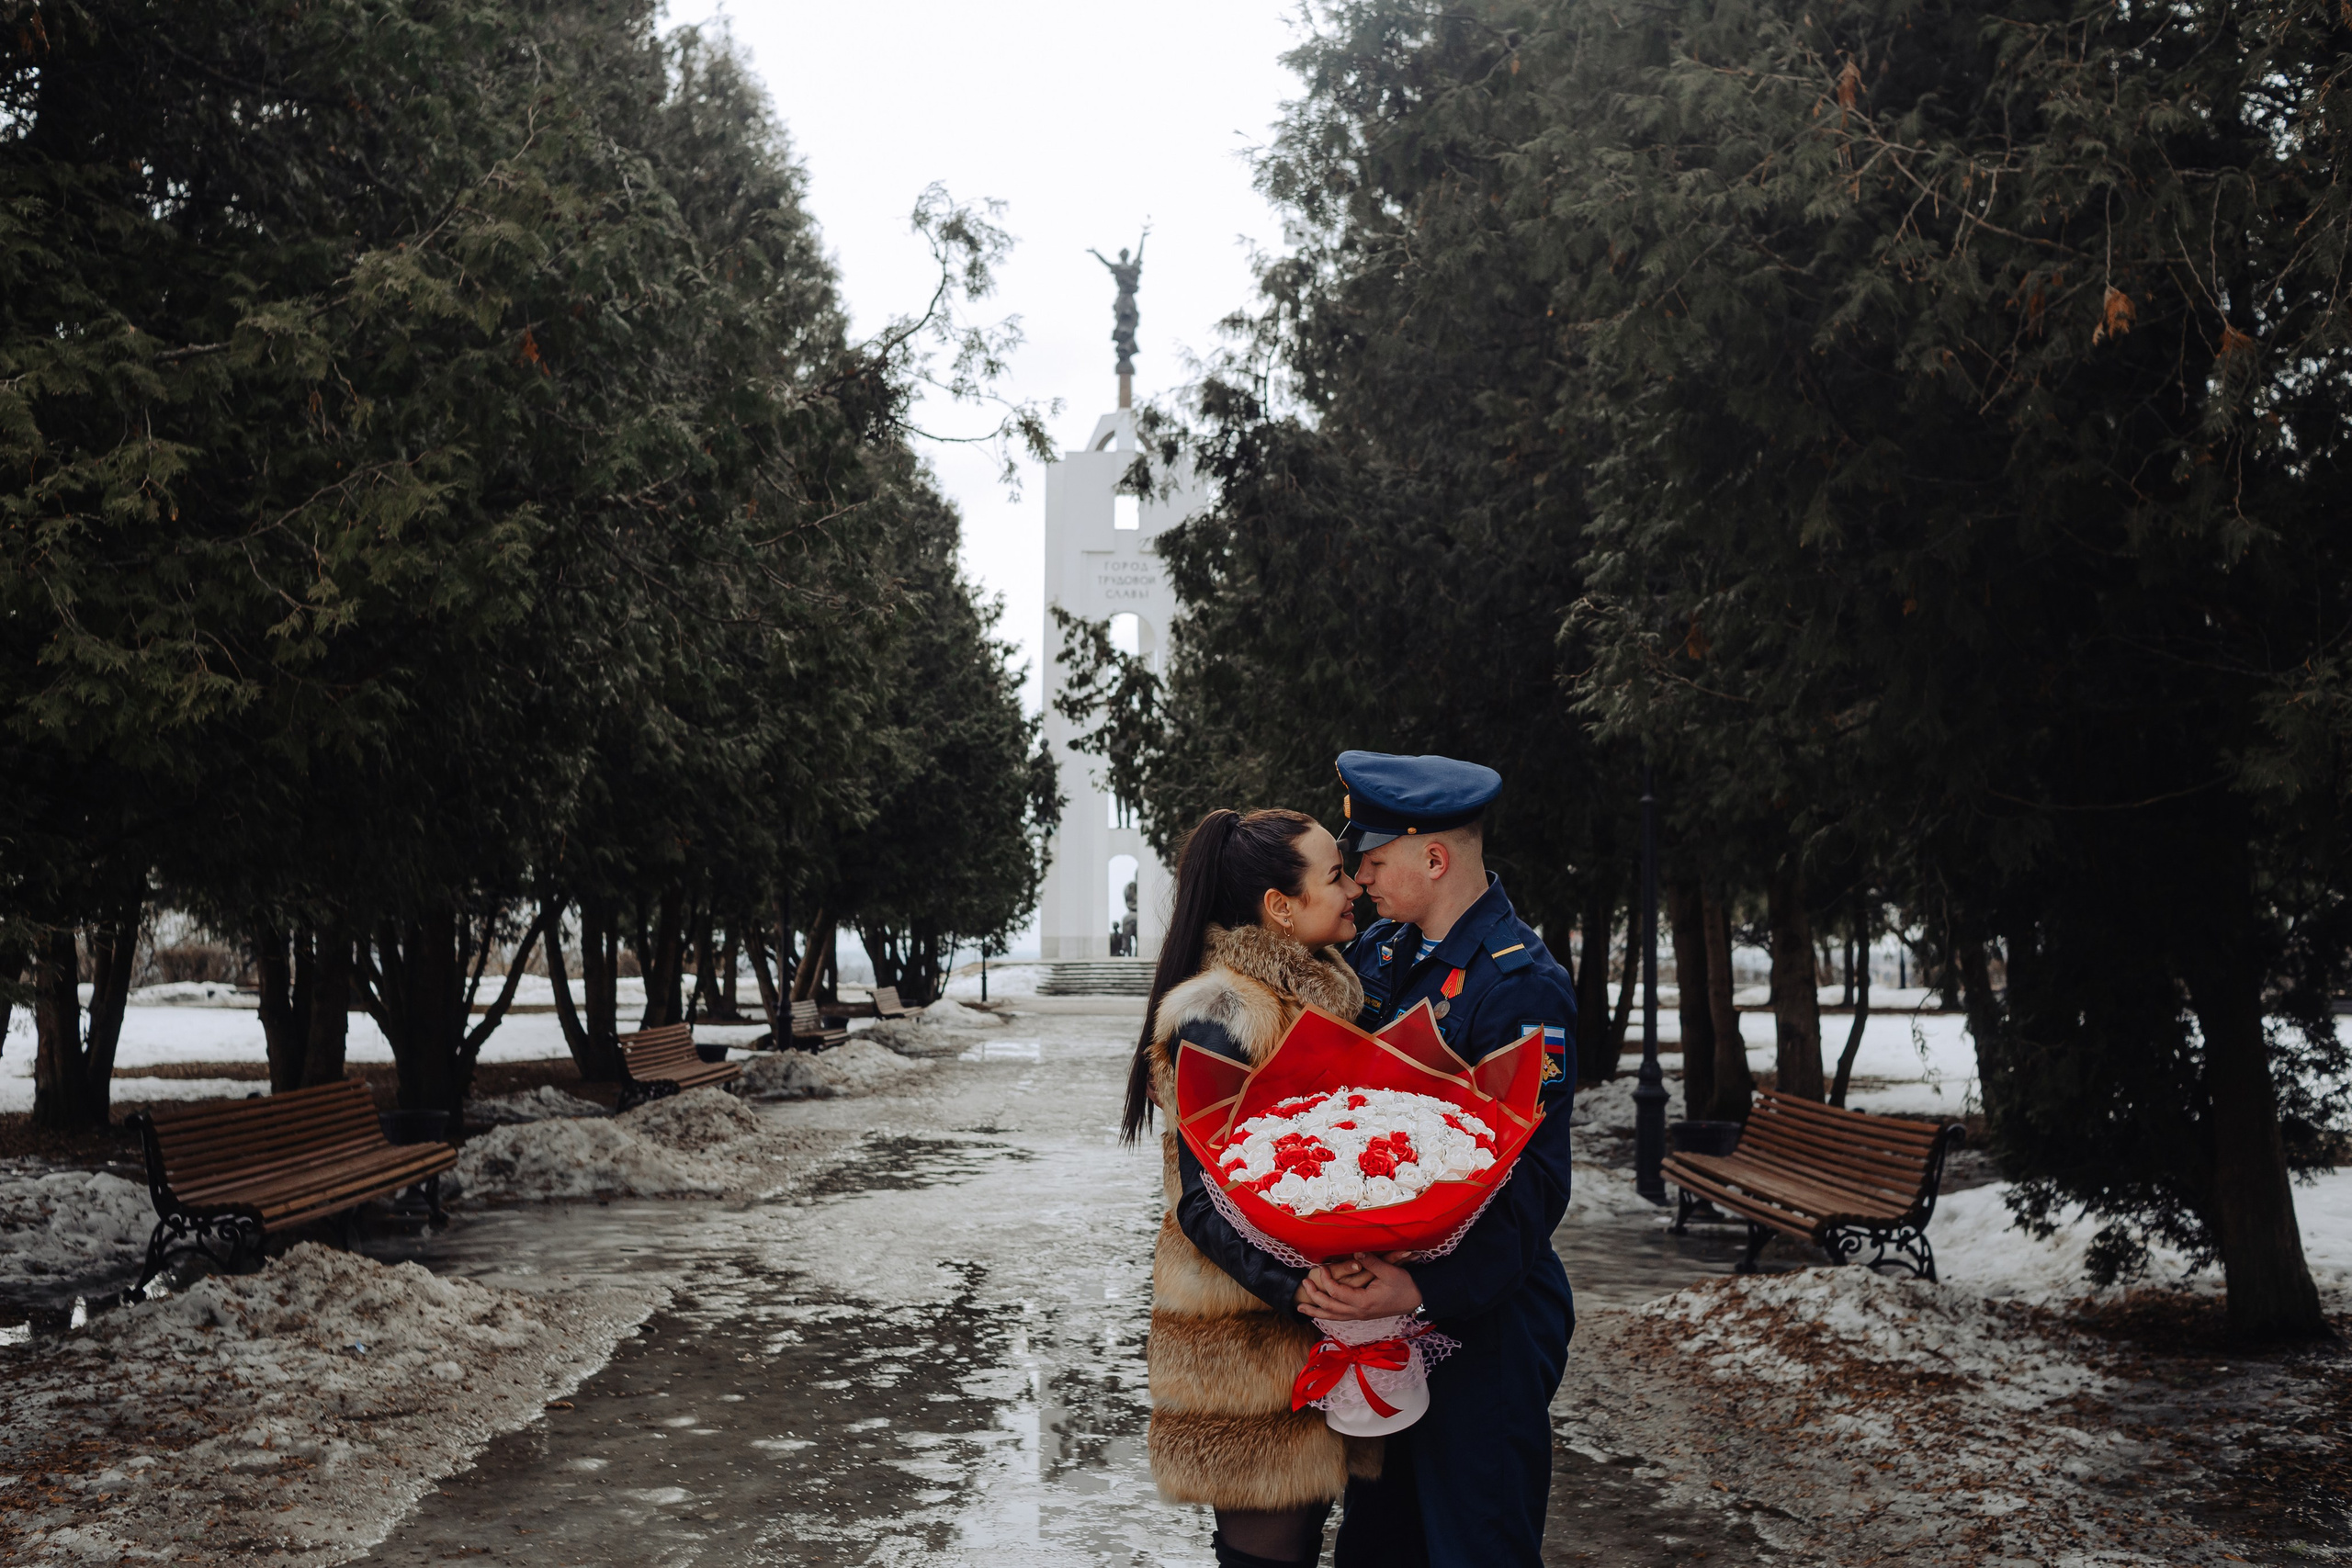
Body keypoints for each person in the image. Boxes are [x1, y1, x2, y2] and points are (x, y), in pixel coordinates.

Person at [1306, 750, 1578, 1568]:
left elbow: (1532, 1192)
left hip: (1485, 1324)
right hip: (1393, 1326)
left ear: (1434, 858)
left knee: (1476, 1545)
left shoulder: (1519, 985)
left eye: (1375, 860)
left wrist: (1424, 1286)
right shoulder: (1390, 951)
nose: (1359, 879)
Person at [1121, 807, 1382, 1568]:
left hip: (1318, 1328)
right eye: (1334, 876)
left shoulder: (1323, 1002)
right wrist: (1301, 1286)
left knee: (1304, 1540)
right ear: (1280, 905)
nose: (1353, 888)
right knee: (1266, 1553)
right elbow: (1202, 1201)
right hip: (1244, 1342)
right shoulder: (1225, 1013)